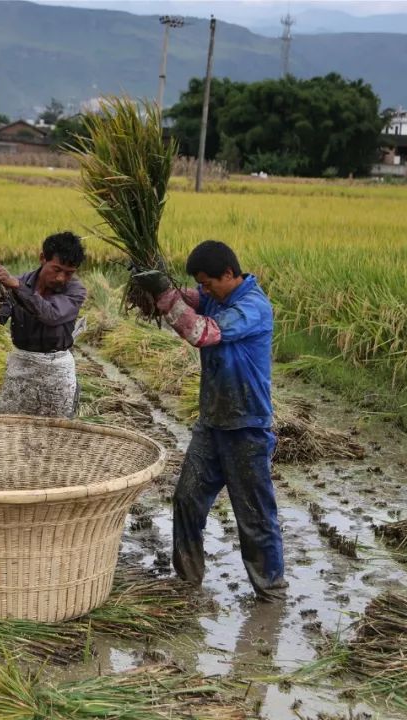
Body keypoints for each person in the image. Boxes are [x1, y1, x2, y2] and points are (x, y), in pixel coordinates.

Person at [133, 240, 287, 602]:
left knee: (254, 518)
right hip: (212, 423)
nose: (203, 290)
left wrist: (166, 295)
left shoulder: (252, 307)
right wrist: (156, 281)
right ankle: (187, 583)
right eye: (200, 284)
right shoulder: (217, 297)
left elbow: (201, 332)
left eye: (208, 282)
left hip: (246, 428)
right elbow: (187, 299)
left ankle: (271, 594)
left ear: (230, 275)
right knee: (186, 499)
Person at [0, 232, 87, 418]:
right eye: (56, 269)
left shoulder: (75, 291)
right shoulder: (16, 284)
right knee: (11, 429)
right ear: (42, 258)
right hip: (21, 365)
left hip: (57, 370)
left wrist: (16, 286)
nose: (61, 278)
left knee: (56, 432)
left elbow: (51, 315)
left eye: (69, 273)